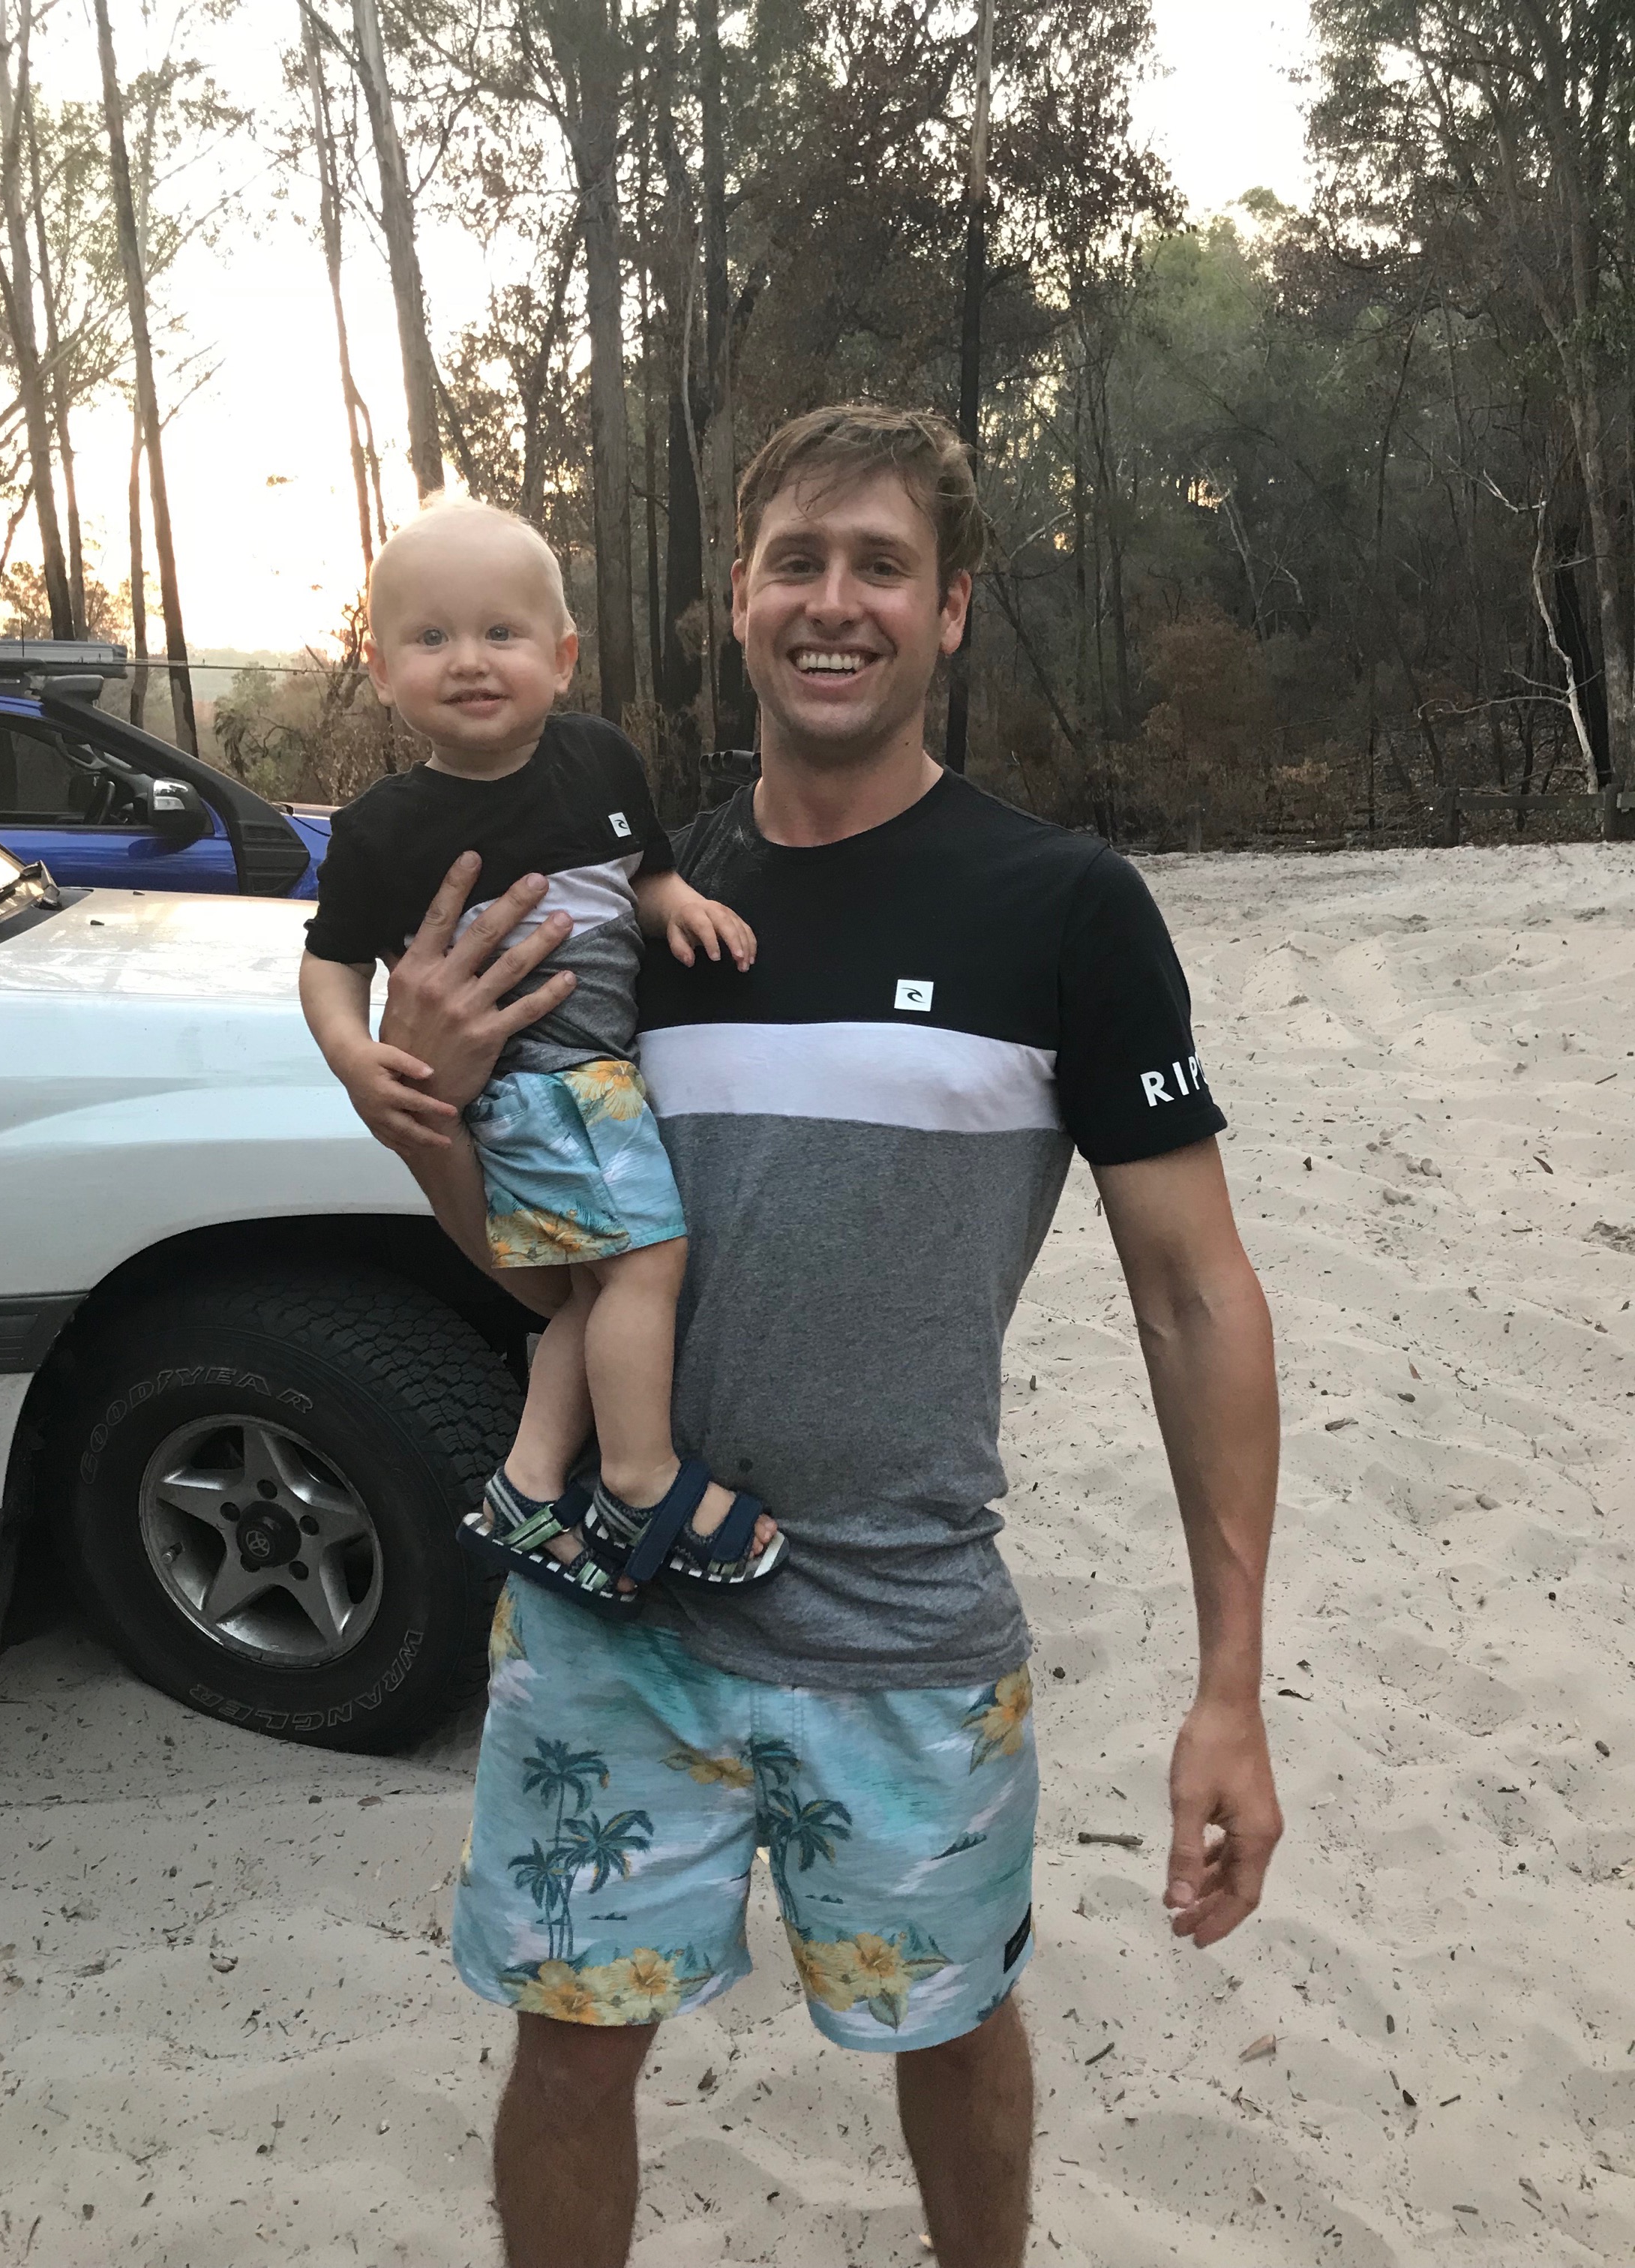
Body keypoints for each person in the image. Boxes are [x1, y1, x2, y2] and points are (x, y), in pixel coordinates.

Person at [364, 406, 1283, 2268]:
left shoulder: (1065, 907)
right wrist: (429, 1120)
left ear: (952, 611)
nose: (835, 601)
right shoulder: (619, 908)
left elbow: (1194, 1299)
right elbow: (544, 1279)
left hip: (908, 1629)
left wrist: (1230, 1687)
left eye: (882, 565)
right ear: (737, 601)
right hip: (613, 1627)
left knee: (952, 2035)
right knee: (569, 2053)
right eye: (798, 561)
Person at [299, 496, 786, 1610]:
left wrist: (678, 901)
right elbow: (331, 964)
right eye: (432, 637)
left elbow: (640, 873)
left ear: (562, 658)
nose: (470, 661)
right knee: (650, 1265)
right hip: (542, 1086)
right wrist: (353, 1056)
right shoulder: (381, 830)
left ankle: (523, 1489)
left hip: (601, 1081)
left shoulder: (601, 761)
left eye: (501, 633)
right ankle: (638, 1480)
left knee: (589, 1291)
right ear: (382, 670)